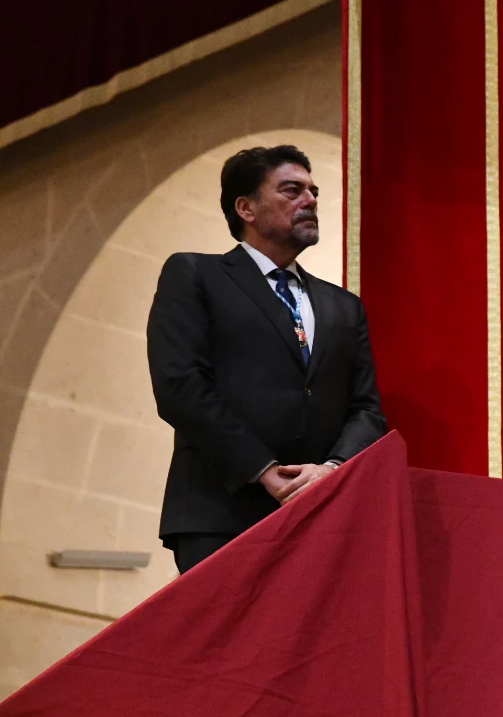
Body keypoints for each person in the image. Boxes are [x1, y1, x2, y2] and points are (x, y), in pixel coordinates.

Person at [147, 145, 386, 573]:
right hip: (221, 512)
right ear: (246, 208)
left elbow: (366, 409)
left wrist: (331, 470)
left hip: (322, 519)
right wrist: (264, 470)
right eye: (292, 190)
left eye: (313, 191)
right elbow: (180, 385)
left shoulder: (343, 306)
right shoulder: (196, 275)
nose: (311, 200)